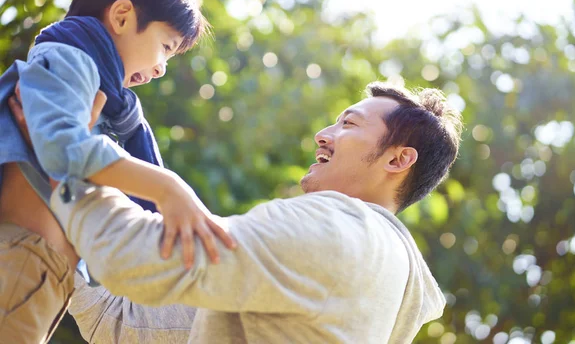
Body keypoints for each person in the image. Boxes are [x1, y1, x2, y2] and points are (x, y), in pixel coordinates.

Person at [43, 81, 463, 343]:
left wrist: (64, 171)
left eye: (349, 125)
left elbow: (138, 259)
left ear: (397, 160)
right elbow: (120, 325)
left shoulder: (335, 226)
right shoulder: (386, 291)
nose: (323, 134)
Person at [0, 0, 234, 343]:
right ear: (122, 16)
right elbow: (63, 147)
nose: (161, 68)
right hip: (22, 257)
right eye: (166, 46)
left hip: (38, 269)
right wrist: (166, 187)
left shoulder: (100, 99)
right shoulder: (68, 58)